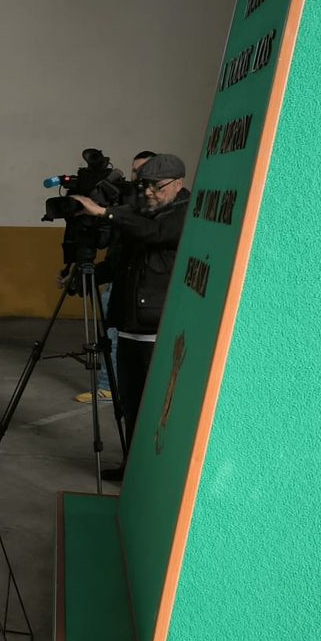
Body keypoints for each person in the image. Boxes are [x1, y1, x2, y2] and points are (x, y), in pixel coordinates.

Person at [72, 151, 189, 476]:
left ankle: (156, 475)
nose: (149, 192)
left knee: (157, 410)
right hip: (127, 327)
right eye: (144, 186)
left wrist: (107, 213)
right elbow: (118, 262)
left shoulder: (183, 215)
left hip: (157, 331)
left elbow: (156, 235)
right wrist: (84, 276)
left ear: (178, 184)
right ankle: (132, 467)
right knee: (131, 406)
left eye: (156, 186)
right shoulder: (136, 214)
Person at [76, 150, 154, 403]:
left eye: (144, 171)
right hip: (116, 278)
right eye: (135, 170)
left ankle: (109, 386)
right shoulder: (123, 203)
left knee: (119, 338)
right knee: (110, 334)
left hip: (142, 287)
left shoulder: (151, 213)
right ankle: (108, 385)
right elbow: (111, 248)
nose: (137, 176)